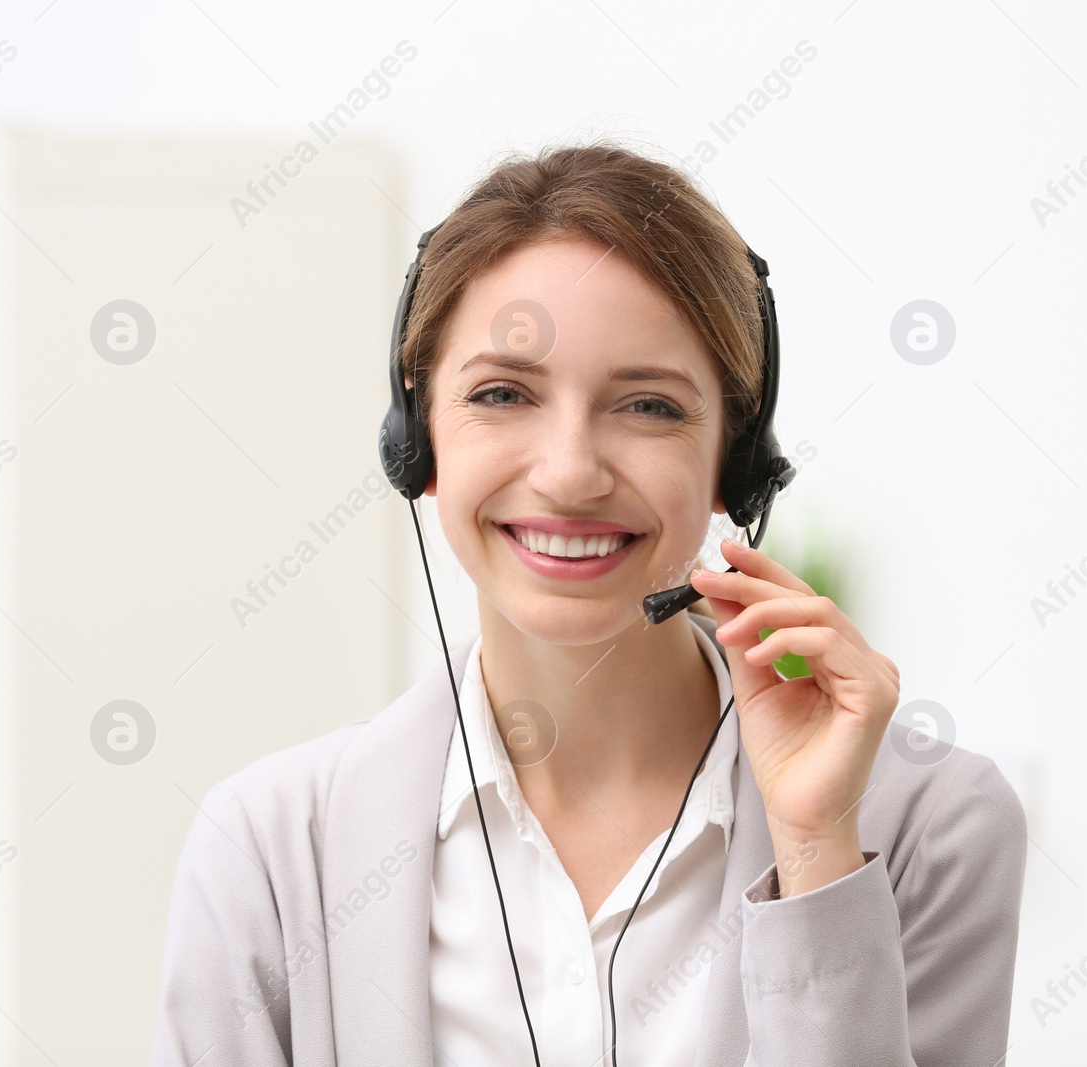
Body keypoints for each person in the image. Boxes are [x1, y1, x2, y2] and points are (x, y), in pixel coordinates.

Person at [149, 141, 1027, 1067]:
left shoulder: (934, 824)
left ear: (736, 459)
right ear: (416, 440)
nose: (570, 473)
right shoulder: (272, 847)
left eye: (647, 406)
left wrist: (815, 857)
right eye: (501, 393)